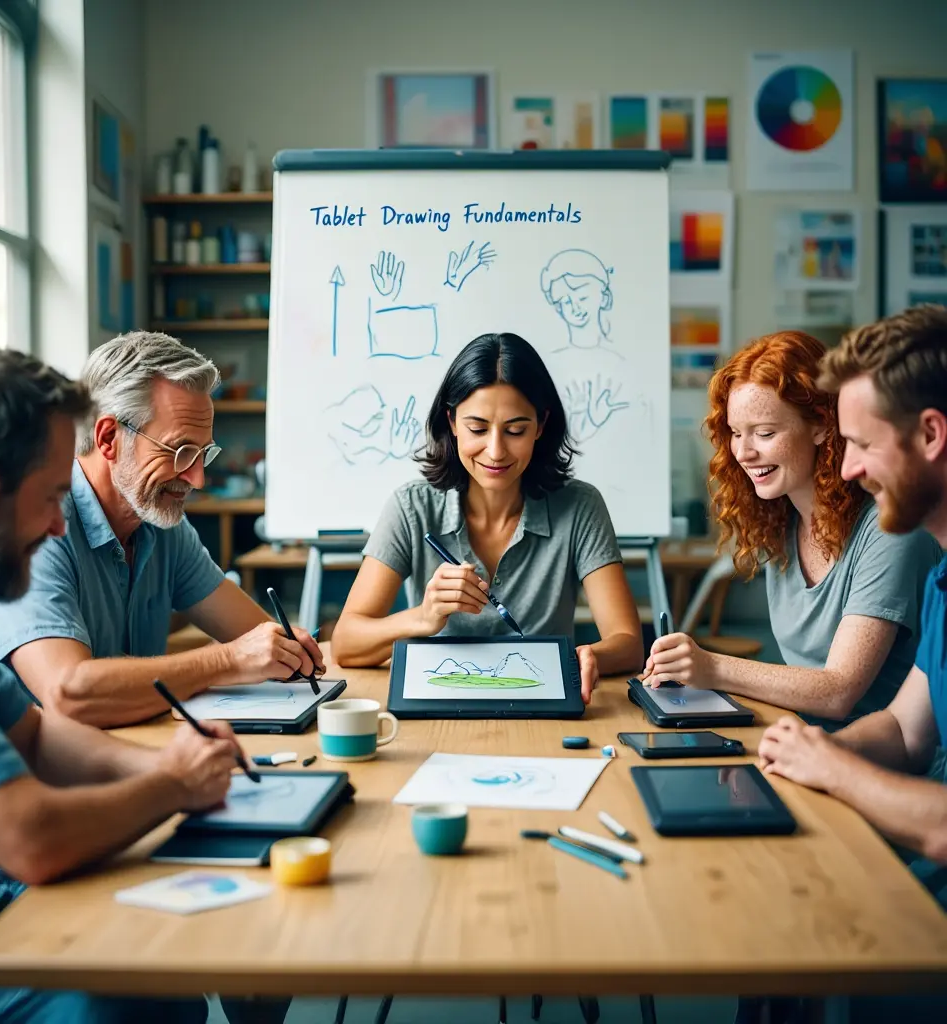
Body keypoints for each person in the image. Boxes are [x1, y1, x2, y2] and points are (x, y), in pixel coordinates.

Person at [0, 344, 243, 1023]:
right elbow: (29, 839)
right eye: (49, 497)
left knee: (163, 966)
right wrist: (173, 785)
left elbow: (37, 737)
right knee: (124, 997)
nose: (59, 524)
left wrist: (180, 763)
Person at [0, 332, 324, 729]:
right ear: (108, 439)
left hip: (125, 748)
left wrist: (288, 652)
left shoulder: (158, 520)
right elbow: (69, 693)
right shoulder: (38, 524)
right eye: (181, 452)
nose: (197, 479)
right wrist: (229, 660)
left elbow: (261, 639)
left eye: (203, 454)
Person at [760, 308, 947, 1022]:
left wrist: (833, 769)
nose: (847, 469)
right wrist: (805, 753)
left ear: (930, 435)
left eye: (863, 444)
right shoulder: (943, 577)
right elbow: (905, 730)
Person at [642, 331, 941, 728]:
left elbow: (838, 691)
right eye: (735, 433)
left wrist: (710, 667)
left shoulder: (889, 531)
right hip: (811, 741)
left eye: (765, 433)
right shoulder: (781, 522)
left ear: (821, 426)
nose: (743, 452)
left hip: (877, 754)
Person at [330, 332, 643, 700]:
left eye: (515, 430)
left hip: (545, 709)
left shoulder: (580, 506)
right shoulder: (411, 507)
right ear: (451, 421)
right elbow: (346, 643)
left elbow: (628, 642)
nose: (495, 452)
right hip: (436, 705)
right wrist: (423, 617)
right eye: (477, 429)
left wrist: (589, 657)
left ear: (541, 425)